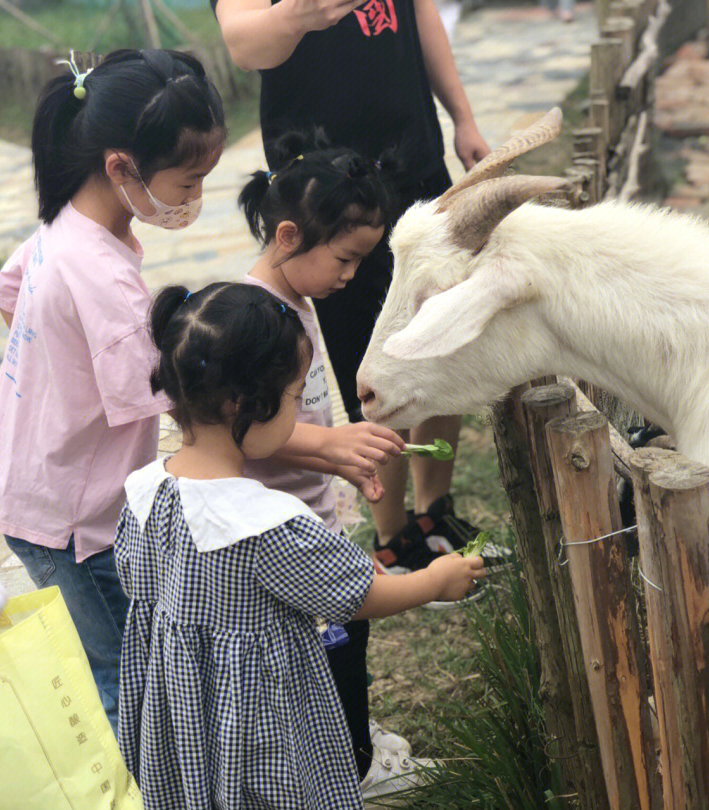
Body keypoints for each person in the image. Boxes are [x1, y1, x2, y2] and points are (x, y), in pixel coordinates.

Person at [115, 282, 485, 809]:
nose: (299, 417)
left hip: (182, 713)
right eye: (294, 398)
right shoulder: (263, 523)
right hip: (256, 724)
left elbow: (139, 585)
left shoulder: (144, 491)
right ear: (242, 403)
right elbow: (355, 598)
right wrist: (434, 580)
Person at [210, 0, 514, 579]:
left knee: (444, 327)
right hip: (327, 188)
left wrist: (463, 117)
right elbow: (244, 45)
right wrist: (302, 14)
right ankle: (393, 538)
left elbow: (420, 14)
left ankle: (433, 512)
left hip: (412, 156)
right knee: (373, 358)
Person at [0, 48, 228, 734]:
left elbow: (7, 293)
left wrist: (61, 367)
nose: (194, 199)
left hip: (35, 492)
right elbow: (171, 402)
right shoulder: (103, 276)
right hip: (73, 522)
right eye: (187, 181)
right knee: (128, 676)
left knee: (120, 663)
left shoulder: (64, 225)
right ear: (121, 167)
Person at [238, 137, 472, 793]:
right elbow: (245, 432)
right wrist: (333, 448)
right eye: (345, 259)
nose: (350, 276)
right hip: (276, 528)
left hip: (307, 514)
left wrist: (348, 458)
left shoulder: (297, 304)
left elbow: (297, 422)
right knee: (340, 631)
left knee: (341, 633)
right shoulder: (257, 318)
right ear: (289, 236)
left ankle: (347, 746)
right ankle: (349, 768)